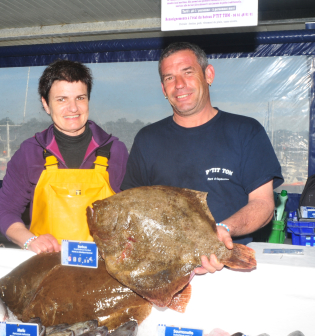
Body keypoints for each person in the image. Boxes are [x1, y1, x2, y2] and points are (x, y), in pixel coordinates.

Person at [121, 42, 283, 274]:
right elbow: (131, 209)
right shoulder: (147, 139)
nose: (179, 85)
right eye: (169, 78)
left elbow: (264, 204)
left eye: (188, 72)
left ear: (208, 74)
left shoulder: (246, 131)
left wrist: (223, 229)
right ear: (163, 88)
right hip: (166, 270)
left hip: (232, 266)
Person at [0, 60, 129, 254]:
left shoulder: (116, 150)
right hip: (45, 266)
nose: (73, 108)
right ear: (45, 104)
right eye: (61, 99)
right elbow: (4, 211)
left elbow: (135, 215)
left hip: (103, 270)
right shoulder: (30, 152)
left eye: (80, 98)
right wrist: (30, 240)